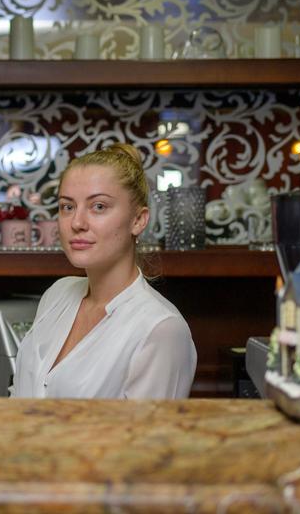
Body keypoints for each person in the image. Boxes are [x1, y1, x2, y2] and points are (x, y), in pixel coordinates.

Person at [11, 143, 197, 399]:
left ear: (138, 220)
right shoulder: (57, 294)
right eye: (67, 207)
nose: (77, 223)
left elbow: (149, 437)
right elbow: (20, 395)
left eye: (98, 206)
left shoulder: (161, 329)